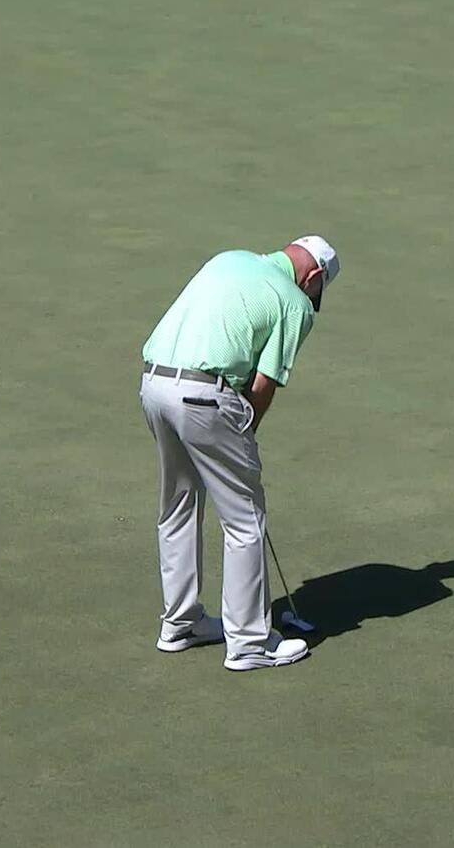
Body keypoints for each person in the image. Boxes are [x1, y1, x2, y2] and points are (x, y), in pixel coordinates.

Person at [137, 235, 341, 671]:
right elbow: (263, 385)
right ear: (314, 276)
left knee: (179, 506)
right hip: (204, 399)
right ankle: (249, 642)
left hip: (154, 386)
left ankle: (180, 623)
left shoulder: (229, 258)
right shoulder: (295, 302)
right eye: (317, 290)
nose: (313, 298)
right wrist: (245, 435)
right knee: (245, 517)